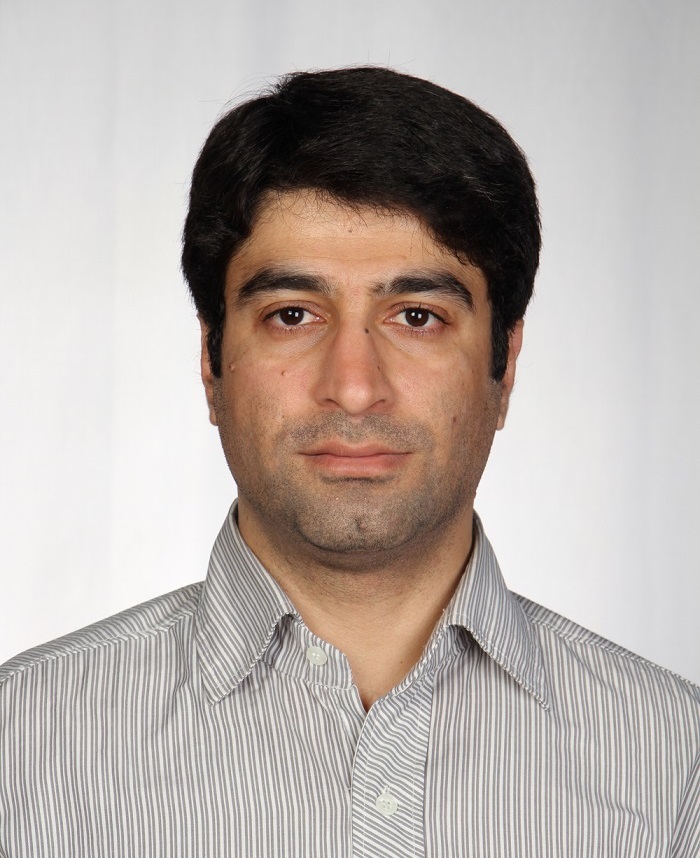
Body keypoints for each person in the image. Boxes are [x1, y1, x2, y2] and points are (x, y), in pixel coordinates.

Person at [1, 67, 698, 858]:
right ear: (211, 362)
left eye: (417, 316)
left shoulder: (676, 769)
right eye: (293, 314)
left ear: (504, 368)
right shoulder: (21, 750)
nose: (356, 387)